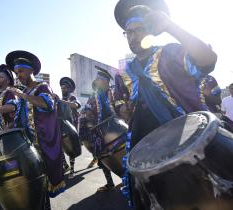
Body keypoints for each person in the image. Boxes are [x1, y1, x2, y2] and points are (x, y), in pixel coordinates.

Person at [114, 0, 217, 208]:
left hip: (188, 139)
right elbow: (119, 101)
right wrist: (122, 109)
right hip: (144, 144)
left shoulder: (170, 53)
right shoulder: (125, 72)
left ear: (151, 30)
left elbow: (208, 60)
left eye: (139, 30)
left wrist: (171, 27)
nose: (133, 37)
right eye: (128, 32)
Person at [0, 50, 65, 210]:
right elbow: (19, 117)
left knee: (43, 183)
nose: (19, 76)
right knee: (31, 184)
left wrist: (22, 96)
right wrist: (6, 131)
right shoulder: (24, 92)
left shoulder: (42, 87)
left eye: (21, 71)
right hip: (26, 145)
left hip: (42, 145)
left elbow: (46, 104)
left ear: (31, 71)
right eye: (17, 73)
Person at [85, 66, 116, 193]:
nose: (97, 81)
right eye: (97, 79)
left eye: (100, 79)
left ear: (106, 81)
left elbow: (116, 108)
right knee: (103, 158)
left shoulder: (113, 92)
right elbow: (88, 111)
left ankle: (131, 180)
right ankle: (110, 183)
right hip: (100, 131)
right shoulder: (94, 95)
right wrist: (90, 123)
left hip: (116, 128)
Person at [56, 77, 81, 179]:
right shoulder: (59, 99)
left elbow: (75, 105)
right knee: (59, 147)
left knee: (71, 149)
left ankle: (72, 170)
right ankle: (65, 165)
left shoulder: (72, 97)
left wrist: (62, 101)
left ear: (69, 89)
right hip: (60, 127)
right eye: (62, 88)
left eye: (65, 88)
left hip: (71, 127)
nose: (63, 90)